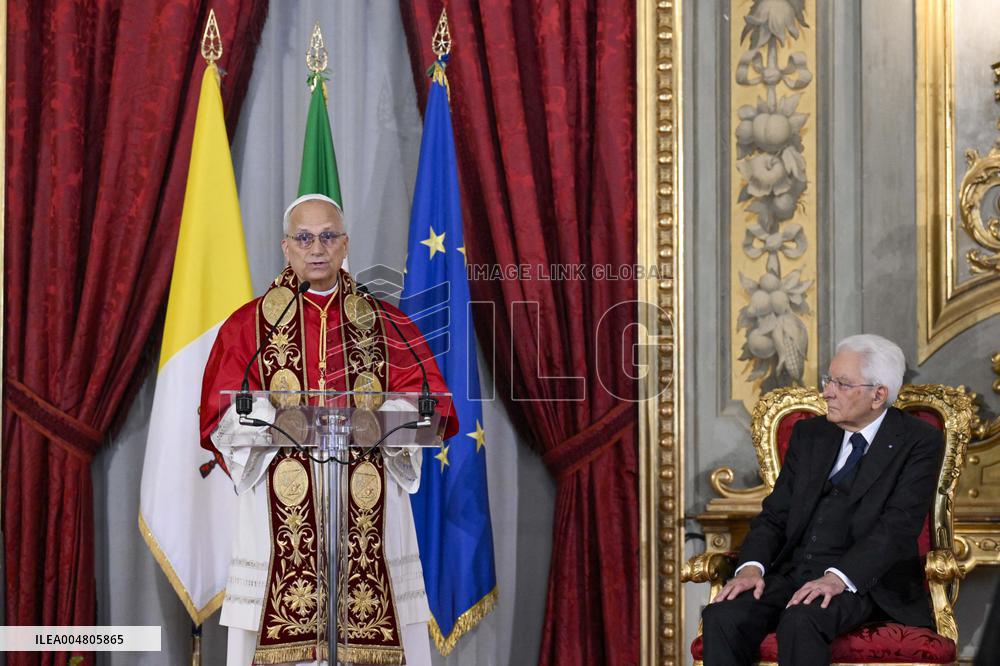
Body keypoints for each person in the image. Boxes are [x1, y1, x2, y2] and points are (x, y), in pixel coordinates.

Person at [199, 193, 456, 666]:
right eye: (304, 237)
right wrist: (279, 421)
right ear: (286, 247)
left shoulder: (387, 324)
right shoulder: (248, 326)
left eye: (327, 236)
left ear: (344, 245)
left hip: (367, 506)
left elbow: (433, 407)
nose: (316, 247)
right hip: (281, 508)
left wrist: (375, 421)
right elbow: (219, 417)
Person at [702, 334, 942, 665]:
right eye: (829, 380)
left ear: (878, 395)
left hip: (862, 583)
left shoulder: (917, 441)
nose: (827, 391)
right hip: (790, 572)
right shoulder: (811, 434)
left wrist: (837, 578)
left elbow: (897, 526)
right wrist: (751, 568)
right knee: (723, 615)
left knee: (802, 620)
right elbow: (775, 514)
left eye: (842, 384)